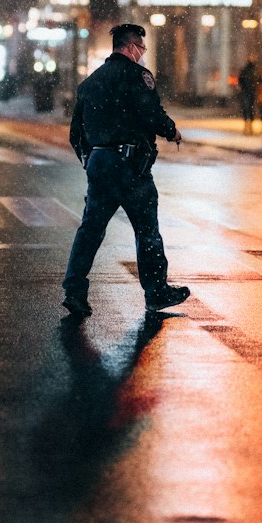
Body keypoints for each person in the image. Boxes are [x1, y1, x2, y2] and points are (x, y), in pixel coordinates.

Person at [63, 23, 190, 319]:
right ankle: (156, 291)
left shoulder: (89, 83)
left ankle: (74, 291)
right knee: (147, 231)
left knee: (90, 230)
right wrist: (172, 131)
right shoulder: (137, 76)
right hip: (132, 167)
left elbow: (75, 135)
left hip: (100, 165)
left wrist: (92, 160)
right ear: (132, 48)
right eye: (141, 49)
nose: (143, 54)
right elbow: (152, 114)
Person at [237, 57, 259, 132]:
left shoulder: (247, 70)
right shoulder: (253, 71)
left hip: (247, 92)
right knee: (249, 108)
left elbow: (240, 80)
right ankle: (248, 125)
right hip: (249, 92)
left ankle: (247, 124)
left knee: (247, 108)